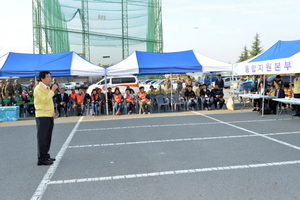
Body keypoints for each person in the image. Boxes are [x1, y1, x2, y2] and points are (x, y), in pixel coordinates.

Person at [34, 71, 58, 166]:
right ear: (42, 78)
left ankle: (46, 155)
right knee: (42, 138)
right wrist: (52, 91)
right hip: (42, 116)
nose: (50, 78)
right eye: (48, 76)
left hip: (48, 115)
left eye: (50, 76)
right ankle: (41, 158)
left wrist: (52, 111)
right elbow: (45, 99)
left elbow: (48, 102)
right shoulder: (38, 89)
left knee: (47, 137)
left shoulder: (46, 88)